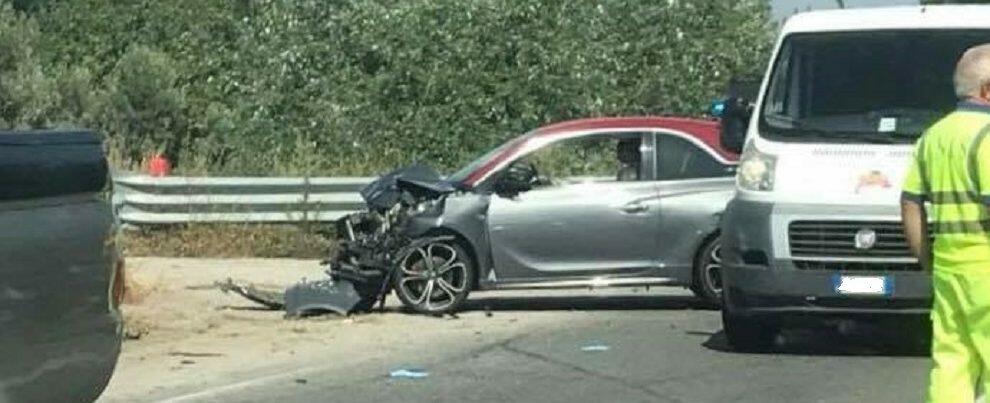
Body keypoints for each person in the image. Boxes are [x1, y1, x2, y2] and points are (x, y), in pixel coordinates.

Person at [902, 43, 990, 403]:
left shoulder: (932, 137)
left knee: (951, 367)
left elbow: (910, 203)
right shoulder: (986, 135)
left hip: (949, 272)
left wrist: (928, 262)